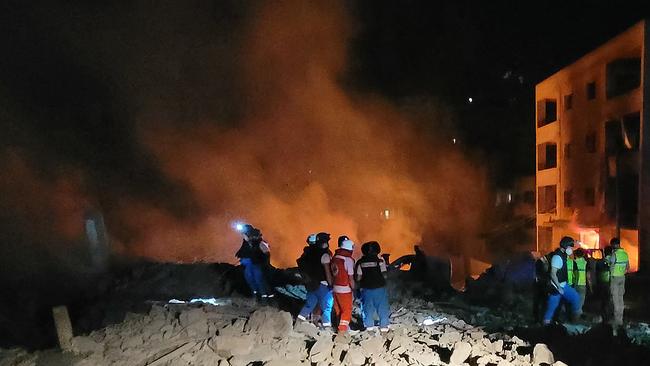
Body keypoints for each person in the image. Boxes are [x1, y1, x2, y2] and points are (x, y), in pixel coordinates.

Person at [297, 232, 334, 328]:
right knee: (327, 307)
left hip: (311, 284)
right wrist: (331, 284)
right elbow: (327, 272)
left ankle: (298, 323)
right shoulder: (324, 255)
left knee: (309, 304)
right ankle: (326, 328)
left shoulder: (310, 253)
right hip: (323, 285)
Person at [543, 236, 582, 325]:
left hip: (563, 285)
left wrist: (576, 243)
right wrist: (558, 287)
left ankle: (574, 321)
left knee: (576, 298)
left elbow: (573, 246)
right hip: (556, 287)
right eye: (570, 247)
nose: (571, 249)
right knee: (552, 308)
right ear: (565, 247)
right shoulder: (557, 258)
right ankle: (546, 326)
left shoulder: (563, 254)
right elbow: (553, 273)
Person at [355, 241, 390, 332]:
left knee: (367, 309)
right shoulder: (380, 262)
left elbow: (358, 277)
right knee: (382, 308)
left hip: (366, 289)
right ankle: (384, 328)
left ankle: (369, 328)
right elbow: (385, 276)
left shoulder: (360, 262)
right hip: (379, 288)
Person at [235, 225, 272, 299]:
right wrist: (241, 257)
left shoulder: (258, 242)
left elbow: (266, 254)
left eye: (243, 234)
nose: (243, 236)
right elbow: (243, 251)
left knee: (259, 280)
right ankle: (256, 295)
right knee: (250, 278)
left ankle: (266, 298)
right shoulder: (247, 242)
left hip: (257, 264)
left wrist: (263, 263)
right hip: (250, 264)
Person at [331, 236, 356, 332]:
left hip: (335, 287)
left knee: (338, 310)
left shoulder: (335, 257)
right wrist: (354, 288)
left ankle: (340, 327)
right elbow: (350, 277)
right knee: (346, 310)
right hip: (345, 288)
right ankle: (342, 332)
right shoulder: (348, 260)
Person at [608, 237, 629, 332]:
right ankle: (620, 318)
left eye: (612, 245)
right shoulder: (625, 254)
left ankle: (617, 321)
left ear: (615, 245)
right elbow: (628, 267)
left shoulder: (614, 254)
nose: (612, 247)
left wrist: (608, 261)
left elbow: (611, 265)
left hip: (615, 278)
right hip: (622, 278)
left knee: (615, 299)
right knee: (621, 299)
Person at [596, 246, 613, 323]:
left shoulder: (600, 262)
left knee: (603, 300)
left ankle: (604, 315)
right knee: (608, 300)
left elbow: (597, 272)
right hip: (609, 283)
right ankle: (607, 316)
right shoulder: (612, 261)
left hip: (601, 283)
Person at [573, 248, 589, 313]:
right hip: (583, 283)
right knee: (581, 299)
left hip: (575, 283)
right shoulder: (585, 262)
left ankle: (575, 312)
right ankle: (579, 312)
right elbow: (588, 274)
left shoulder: (574, 262)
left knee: (574, 299)